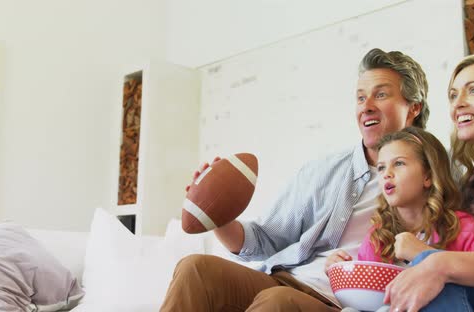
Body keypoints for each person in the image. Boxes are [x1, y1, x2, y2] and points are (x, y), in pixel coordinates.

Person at [160, 48, 430, 311]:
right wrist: (216, 215)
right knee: (195, 269)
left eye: (380, 95)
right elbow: (264, 239)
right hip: (287, 280)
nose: (367, 107)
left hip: (334, 301)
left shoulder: (435, 179)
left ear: (414, 107)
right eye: (360, 98)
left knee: (277, 301)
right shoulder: (324, 171)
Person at [383, 53, 474, 311]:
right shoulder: (469, 186)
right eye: (453, 95)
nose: (458, 104)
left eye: (473, 90)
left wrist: (438, 263)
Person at [328, 126, 474, 311]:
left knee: (440, 281)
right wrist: (342, 271)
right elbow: (370, 297)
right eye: (381, 167)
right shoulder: (378, 235)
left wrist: (423, 254)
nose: (387, 173)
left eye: (399, 163)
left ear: (428, 176)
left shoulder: (461, 226)